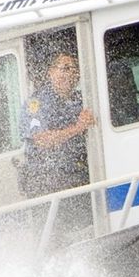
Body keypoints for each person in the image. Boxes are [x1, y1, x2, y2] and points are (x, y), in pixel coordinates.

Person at [20, 51, 94, 197]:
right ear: (51, 72)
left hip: (80, 178)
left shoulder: (81, 99)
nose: (70, 74)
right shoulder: (36, 103)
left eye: (74, 69)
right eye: (65, 68)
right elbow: (42, 139)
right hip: (49, 183)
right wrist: (78, 127)